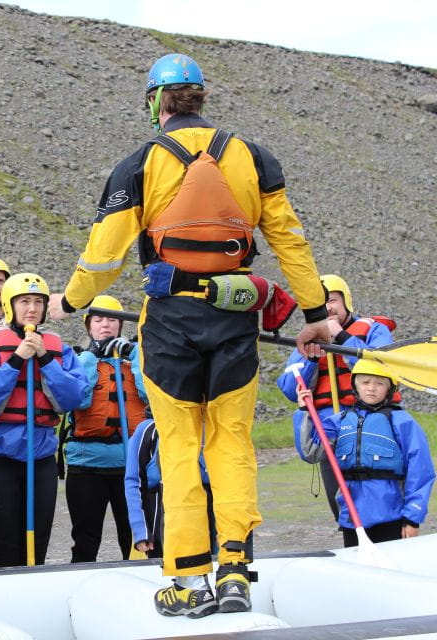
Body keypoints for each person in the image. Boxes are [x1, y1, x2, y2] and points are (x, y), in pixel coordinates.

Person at [48, 53, 330, 617]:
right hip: (234, 322)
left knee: (178, 448)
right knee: (231, 444)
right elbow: (290, 240)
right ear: (201, 97)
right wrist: (315, 311)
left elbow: (105, 253)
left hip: (171, 326)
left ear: (156, 101)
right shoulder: (254, 158)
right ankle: (234, 570)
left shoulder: (140, 162)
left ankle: (187, 578)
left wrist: (72, 300)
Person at [0, 273, 88, 567]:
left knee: (37, 544)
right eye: (24, 301)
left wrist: (46, 359)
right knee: (5, 544)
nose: (32, 308)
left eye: (38, 302)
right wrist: (17, 359)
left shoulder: (57, 346)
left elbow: (75, 397)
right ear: (11, 306)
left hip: (41, 457)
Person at [276, 274, 398, 521]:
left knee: (384, 509)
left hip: (374, 429)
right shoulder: (307, 341)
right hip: (333, 437)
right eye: (319, 305)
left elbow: (384, 370)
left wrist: (341, 338)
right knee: (343, 511)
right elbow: (290, 389)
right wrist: (311, 356)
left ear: (346, 302)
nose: (327, 308)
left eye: (331, 300)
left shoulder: (374, 330)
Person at [294, 360, 434, 546]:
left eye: (379, 383)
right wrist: (304, 410)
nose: (371, 388)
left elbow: (420, 471)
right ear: (355, 386)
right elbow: (310, 452)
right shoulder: (338, 422)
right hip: (352, 518)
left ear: (390, 388)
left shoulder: (402, 422)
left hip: (391, 517)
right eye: (365, 382)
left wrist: (412, 518)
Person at [60, 295, 145, 562]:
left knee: (134, 539)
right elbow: (78, 399)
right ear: (89, 326)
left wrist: (138, 355)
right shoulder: (78, 359)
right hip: (87, 464)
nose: (105, 325)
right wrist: (90, 357)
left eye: (112, 320)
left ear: (121, 325)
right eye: (98, 320)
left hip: (129, 466)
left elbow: (149, 395)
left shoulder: (137, 360)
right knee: (85, 540)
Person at [125, 416, 216, 561]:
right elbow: (134, 482)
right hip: (160, 530)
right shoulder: (148, 430)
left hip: (205, 526)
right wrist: (140, 530)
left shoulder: (209, 426)